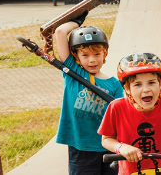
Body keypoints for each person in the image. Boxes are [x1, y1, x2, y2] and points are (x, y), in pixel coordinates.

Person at [53, 16, 124, 175]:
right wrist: (78, 20)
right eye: (85, 55)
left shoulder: (115, 84)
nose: (92, 60)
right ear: (76, 56)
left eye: (97, 54)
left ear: (104, 53)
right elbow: (60, 31)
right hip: (81, 147)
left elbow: (120, 116)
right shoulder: (72, 72)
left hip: (110, 146)